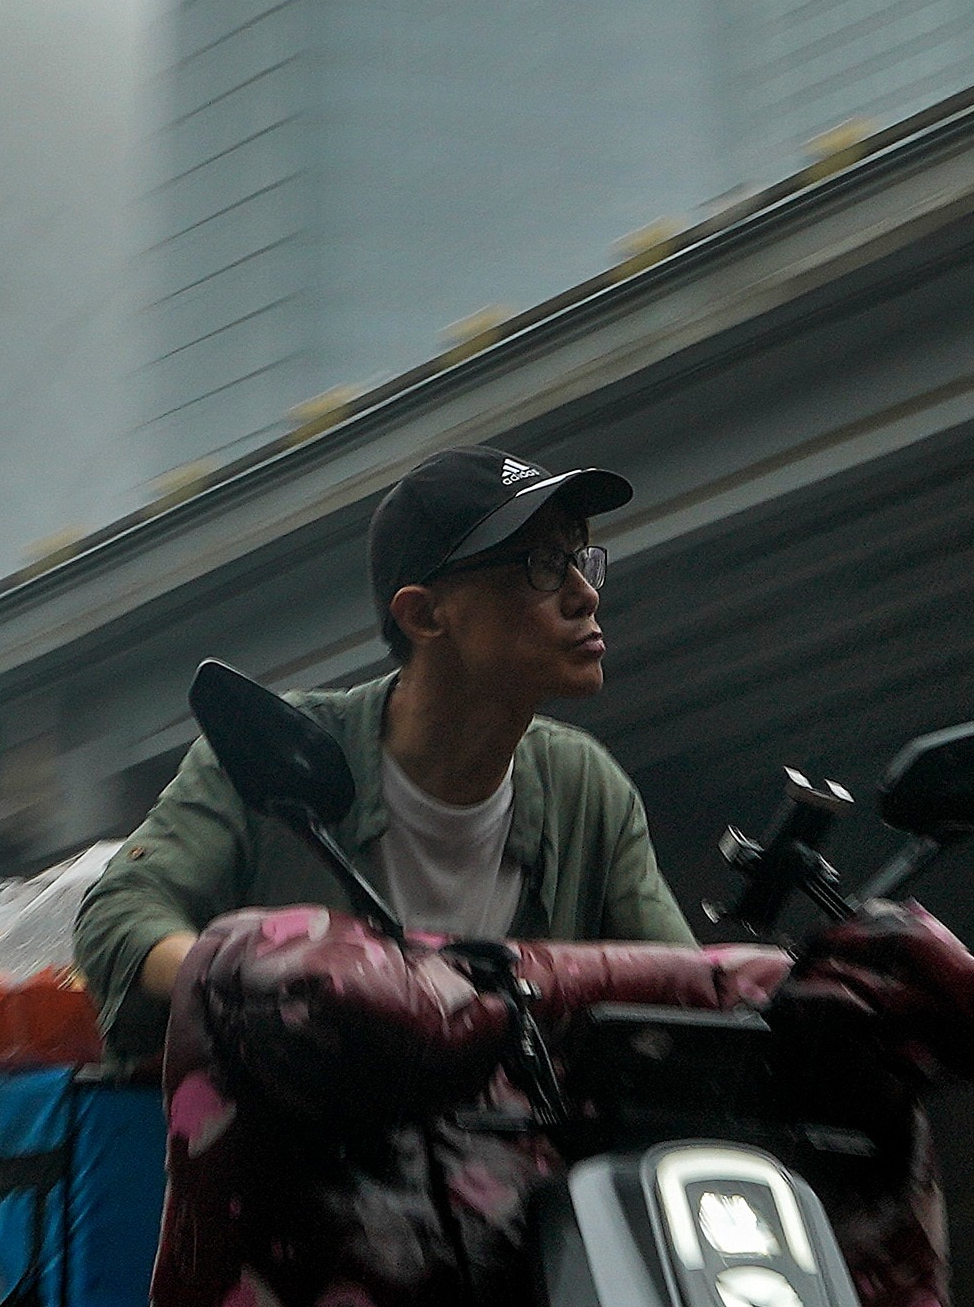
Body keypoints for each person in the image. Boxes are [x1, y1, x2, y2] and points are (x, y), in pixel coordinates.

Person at [73, 444, 691, 1058]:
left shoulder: (586, 788)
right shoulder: (271, 753)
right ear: (423, 614)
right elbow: (120, 914)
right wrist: (259, 980)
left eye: (580, 560)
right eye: (544, 565)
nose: (584, 595)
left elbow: (692, 994)